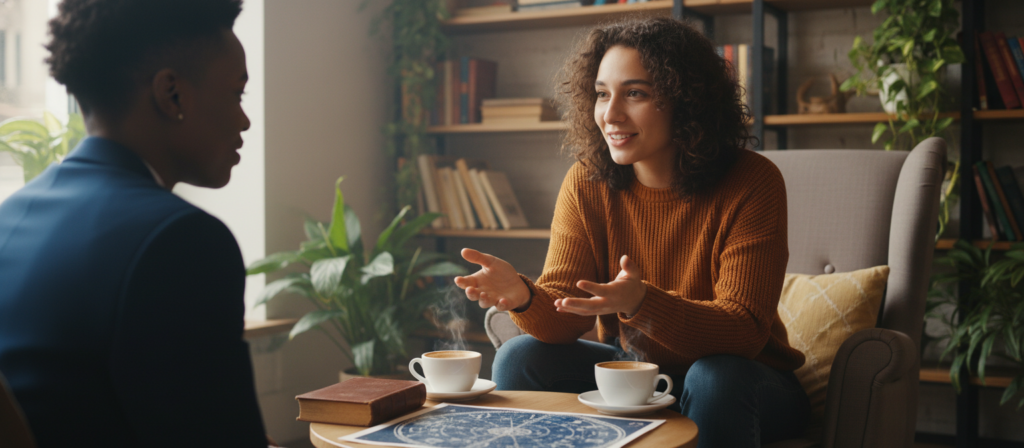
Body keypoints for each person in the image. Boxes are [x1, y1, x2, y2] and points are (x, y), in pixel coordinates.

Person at [453, 17, 810, 447]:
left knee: (715, 377)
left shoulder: (752, 181)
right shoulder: (586, 182)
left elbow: (745, 332)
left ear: (686, 99)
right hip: (637, 372)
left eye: (635, 93)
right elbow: (564, 317)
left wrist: (644, 303)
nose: (610, 114)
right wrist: (525, 296)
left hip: (749, 382)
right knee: (520, 355)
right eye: (602, 94)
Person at [0, 0, 269, 446]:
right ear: (172, 94)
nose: (244, 120)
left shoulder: (10, 217)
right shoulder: (180, 241)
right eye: (236, 94)